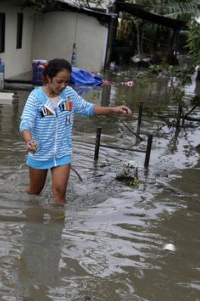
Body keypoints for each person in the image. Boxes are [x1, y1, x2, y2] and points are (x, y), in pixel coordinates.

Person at [19, 58, 132, 203]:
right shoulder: (35, 97)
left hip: (62, 152)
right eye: (59, 81)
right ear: (49, 77)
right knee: (35, 191)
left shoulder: (69, 94)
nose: (63, 85)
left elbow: (87, 109)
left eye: (66, 82)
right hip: (39, 152)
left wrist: (113, 109)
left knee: (60, 194)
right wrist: (29, 141)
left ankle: (58, 223)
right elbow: (26, 122)